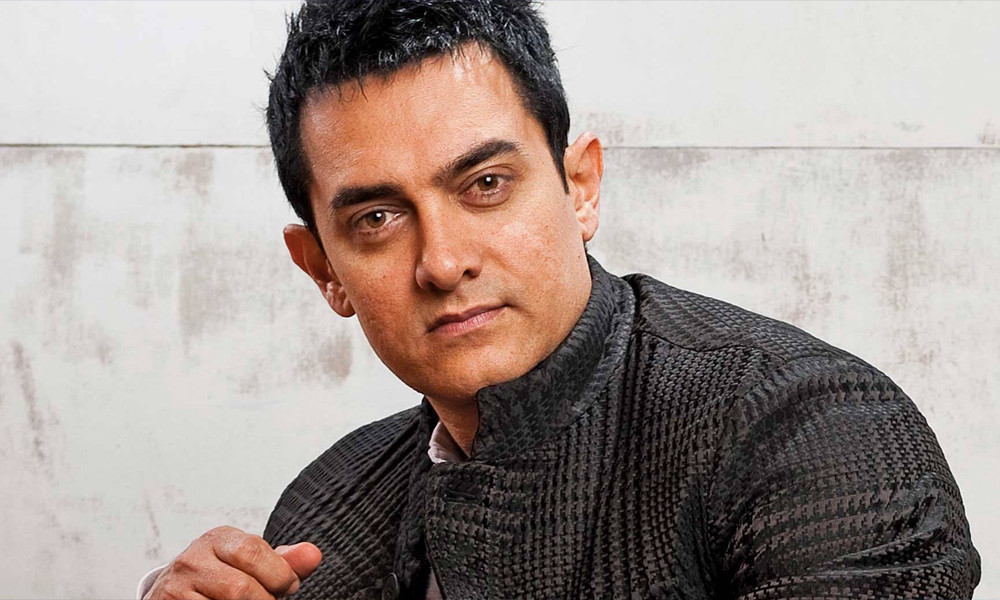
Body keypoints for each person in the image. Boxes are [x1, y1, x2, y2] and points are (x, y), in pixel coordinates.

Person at [139, 1, 980, 598]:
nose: (443, 262)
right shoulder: (327, 508)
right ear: (323, 268)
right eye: (378, 218)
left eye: (486, 184)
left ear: (581, 188)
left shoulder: (809, 428)